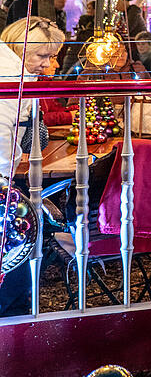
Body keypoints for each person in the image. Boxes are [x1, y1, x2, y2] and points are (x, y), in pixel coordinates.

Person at [0, 17, 64, 317]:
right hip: (3, 179)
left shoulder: (20, 74)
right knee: (14, 253)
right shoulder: (10, 78)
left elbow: (30, 136)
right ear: (22, 48)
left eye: (51, 56)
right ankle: (14, 319)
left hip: (8, 175)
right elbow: (3, 133)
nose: (47, 63)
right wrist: (4, 183)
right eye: (43, 56)